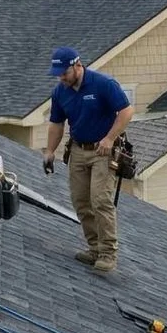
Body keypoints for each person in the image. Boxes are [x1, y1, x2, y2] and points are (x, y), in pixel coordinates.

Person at [41, 47, 134, 273]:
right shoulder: (60, 92)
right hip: (78, 150)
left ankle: (108, 253)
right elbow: (56, 123)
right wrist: (50, 151)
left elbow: (126, 111)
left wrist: (110, 139)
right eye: (58, 75)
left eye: (64, 73)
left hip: (103, 151)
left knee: (100, 200)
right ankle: (94, 248)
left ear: (77, 65)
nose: (61, 78)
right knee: (81, 201)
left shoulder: (103, 84)